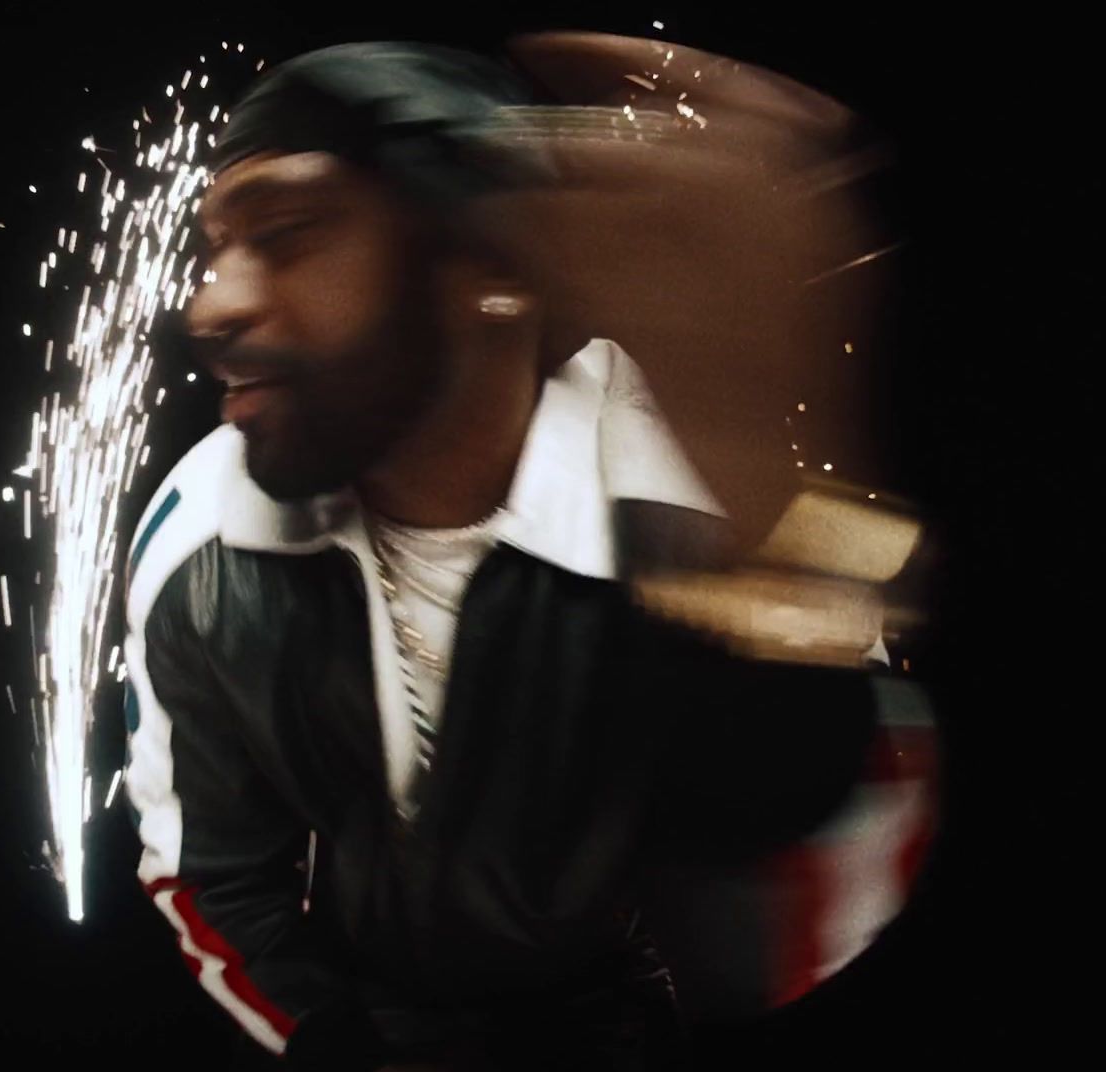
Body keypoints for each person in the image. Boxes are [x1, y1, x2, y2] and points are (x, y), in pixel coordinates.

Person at [122, 42, 890, 1072]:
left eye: (289, 232)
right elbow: (204, 876)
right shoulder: (199, 531)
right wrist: (332, 1044)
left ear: (485, 260)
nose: (210, 307)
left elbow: (840, 848)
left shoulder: (713, 484)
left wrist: (766, 507)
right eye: (217, 246)